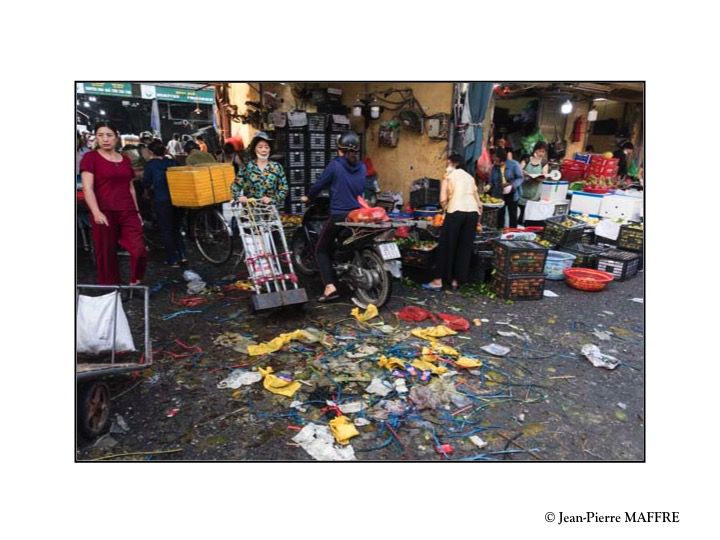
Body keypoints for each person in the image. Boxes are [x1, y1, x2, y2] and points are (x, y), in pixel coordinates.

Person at [80, 122, 147, 285]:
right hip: (104, 211)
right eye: (100, 135)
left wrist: (137, 213)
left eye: (109, 135)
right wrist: (96, 212)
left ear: (116, 138)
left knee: (139, 250)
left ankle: (135, 281)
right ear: (96, 137)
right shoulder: (90, 158)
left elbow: (131, 188)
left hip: (127, 210)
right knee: (106, 254)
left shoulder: (124, 160)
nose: (105, 139)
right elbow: (87, 188)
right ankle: (110, 289)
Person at [303, 132, 366, 302]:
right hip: (358, 214)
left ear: (339, 150)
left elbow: (319, 185)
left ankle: (330, 286)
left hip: (340, 215)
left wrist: (308, 197)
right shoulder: (362, 166)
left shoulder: (335, 165)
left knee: (321, 249)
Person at [422, 153, 482, 291]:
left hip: (456, 211)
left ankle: (438, 281)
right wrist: (478, 220)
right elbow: (479, 204)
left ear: (453, 163)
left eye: (447, 162)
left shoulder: (449, 175)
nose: (446, 164)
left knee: (446, 246)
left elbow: (443, 199)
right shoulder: (469, 177)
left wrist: (445, 210)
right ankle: (456, 281)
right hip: (472, 213)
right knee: (464, 247)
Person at [143, 140, 186, 267]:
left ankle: (172, 259)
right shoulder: (172, 162)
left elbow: (146, 182)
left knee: (166, 230)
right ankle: (182, 255)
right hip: (177, 199)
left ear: (151, 152)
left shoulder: (150, 165)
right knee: (176, 228)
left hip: (162, 200)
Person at [231, 132, 288, 206]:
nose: (264, 150)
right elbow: (235, 186)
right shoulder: (247, 167)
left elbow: (284, 188)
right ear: (255, 149)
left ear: (270, 150)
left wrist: (273, 199)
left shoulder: (276, 167)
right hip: (251, 212)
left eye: (266, 147)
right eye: (260, 147)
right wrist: (239, 197)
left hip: (271, 211)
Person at [490, 148, 524, 228]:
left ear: (500, 157)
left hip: (512, 193)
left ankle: (512, 233)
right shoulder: (494, 167)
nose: (493, 159)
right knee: (500, 214)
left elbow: (520, 178)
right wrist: (489, 186)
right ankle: (499, 233)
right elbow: (491, 180)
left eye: (495, 157)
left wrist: (512, 185)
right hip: (499, 193)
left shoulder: (514, 164)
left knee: (512, 214)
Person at [518, 141, 550, 224]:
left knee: (530, 216)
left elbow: (544, 176)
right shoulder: (526, 160)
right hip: (522, 192)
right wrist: (523, 173)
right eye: (539, 151)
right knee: (520, 215)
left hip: (535, 194)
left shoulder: (544, 163)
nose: (541, 153)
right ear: (535, 150)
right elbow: (518, 171)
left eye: (543, 151)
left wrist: (538, 178)